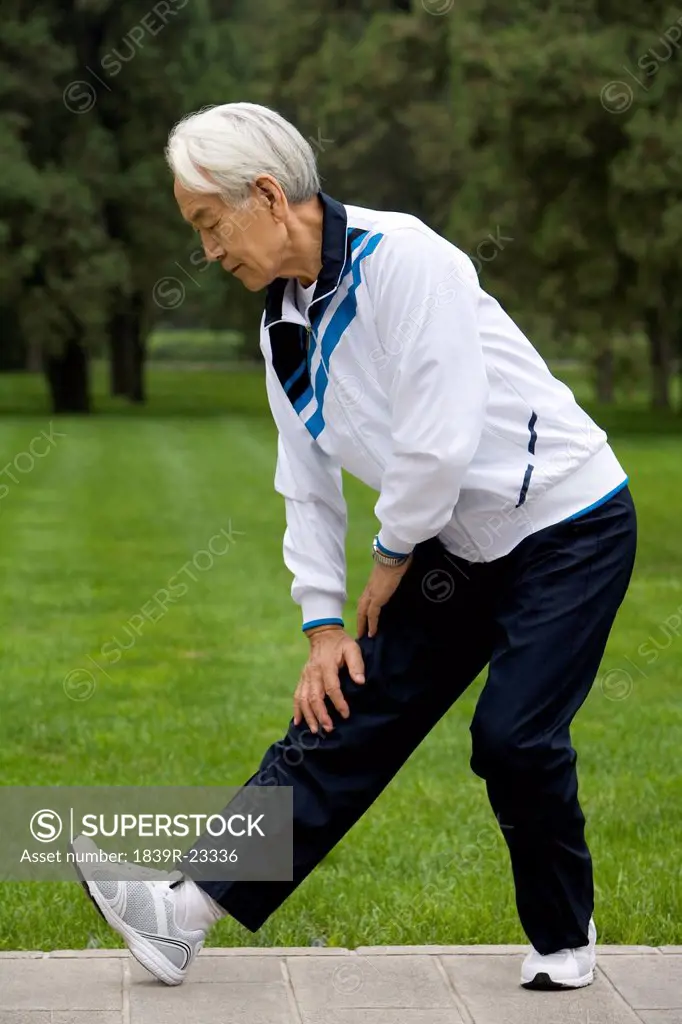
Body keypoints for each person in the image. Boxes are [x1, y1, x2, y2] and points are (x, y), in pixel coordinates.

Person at [75, 102, 637, 990]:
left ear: (266, 194)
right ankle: (185, 915)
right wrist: (323, 627)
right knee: (341, 707)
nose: (210, 252)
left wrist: (390, 556)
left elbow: (440, 441)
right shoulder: (280, 329)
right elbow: (305, 483)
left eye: (210, 225)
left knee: (513, 739)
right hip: (448, 542)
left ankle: (566, 938)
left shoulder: (407, 260)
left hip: (568, 523)